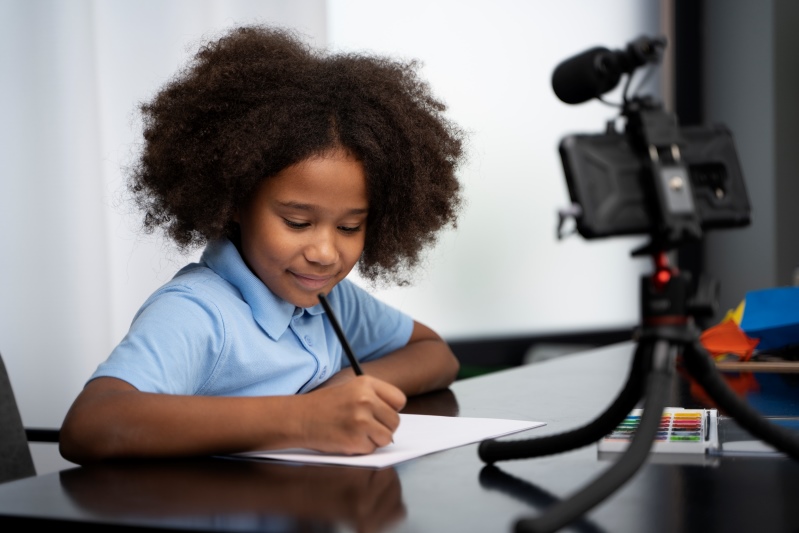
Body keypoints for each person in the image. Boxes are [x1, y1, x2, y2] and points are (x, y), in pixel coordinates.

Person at [59, 25, 465, 464]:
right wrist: (303, 418)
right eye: (297, 221)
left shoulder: (330, 302)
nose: (326, 252)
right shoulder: (199, 312)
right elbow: (90, 424)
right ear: (234, 201)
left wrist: (344, 384)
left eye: (349, 228)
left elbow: (436, 355)